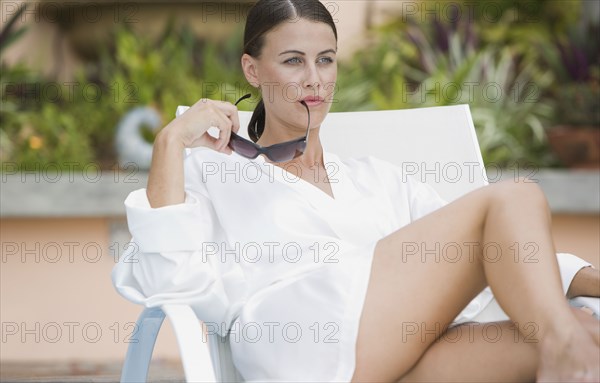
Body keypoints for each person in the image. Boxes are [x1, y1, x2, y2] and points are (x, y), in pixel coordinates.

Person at [112, 0, 600, 381]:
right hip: (300, 344)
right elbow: (167, 278)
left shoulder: (378, 178)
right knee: (515, 197)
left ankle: (562, 339)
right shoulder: (213, 171)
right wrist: (170, 142)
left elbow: (500, 248)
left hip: (394, 351)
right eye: (292, 61)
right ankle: (561, 338)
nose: (314, 80)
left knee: (587, 333)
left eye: (325, 60)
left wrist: (590, 281)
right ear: (252, 70)